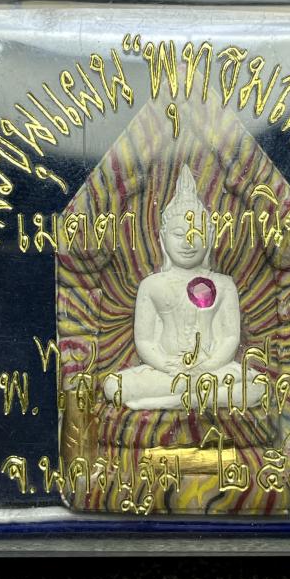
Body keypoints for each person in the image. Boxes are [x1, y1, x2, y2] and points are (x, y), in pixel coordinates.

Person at [104, 165, 258, 411]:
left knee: (257, 386)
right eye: (178, 234)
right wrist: (167, 365)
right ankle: (194, 397)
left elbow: (230, 337)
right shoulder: (151, 285)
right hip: (167, 372)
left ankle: (172, 401)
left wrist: (207, 366)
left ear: (210, 236)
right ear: (163, 238)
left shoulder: (224, 284)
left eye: (197, 233)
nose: (188, 242)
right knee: (114, 385)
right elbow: (144, 340)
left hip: (212, 371)